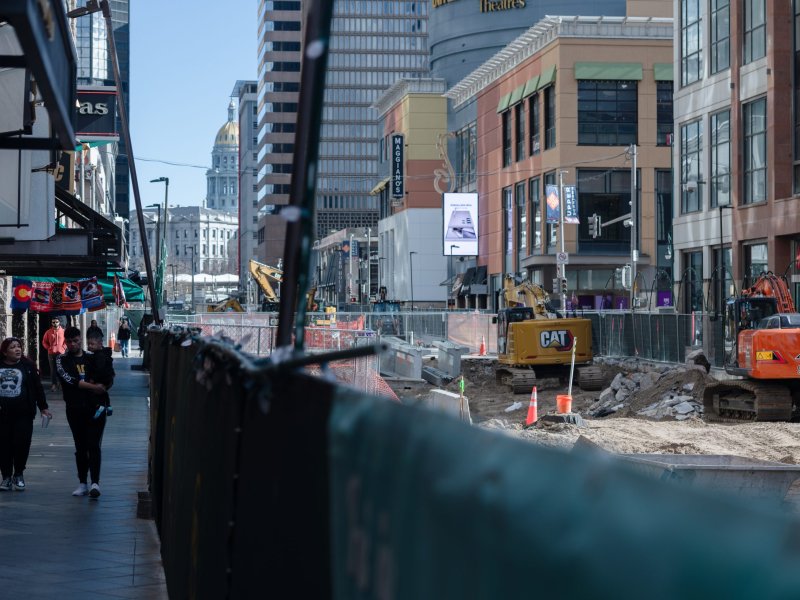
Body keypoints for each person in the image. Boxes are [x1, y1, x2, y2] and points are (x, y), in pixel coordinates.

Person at [56, 327, 109, 498]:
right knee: (80, 447)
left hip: (96, 409)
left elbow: (107, 376)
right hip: (75, 409)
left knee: (94, 445)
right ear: (66, 342)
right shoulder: (62, 360)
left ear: (81, 340)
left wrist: (104, 387)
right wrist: (95, 387)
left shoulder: (92, 358)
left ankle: (95, 483)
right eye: (69, 341)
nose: (73, 344)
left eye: (76, 340)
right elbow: (71, 380)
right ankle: (82, 482)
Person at [0, 337, 52, 491]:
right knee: (3, 446)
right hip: (2, 415)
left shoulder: (27, 366)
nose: (17, 349)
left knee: (21, 444)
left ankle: (19, 474)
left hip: (23, 414)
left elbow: (38, 388)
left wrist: (43, 407)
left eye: (19, 346)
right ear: (4, 352)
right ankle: (6, 477)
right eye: (13, 347)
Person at [85, 330, 114, 416]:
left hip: (101, 378)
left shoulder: (99, 356)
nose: (90, 346)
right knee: (103, 392)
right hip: (107, 378)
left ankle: (99, 406)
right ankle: (108, 406)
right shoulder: (102, 353)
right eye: (88, 344)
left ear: (100, 344)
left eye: (92, 344)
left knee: (93, 392)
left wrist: (93, 379)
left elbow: (99, 369)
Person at [42, 317, 66, 392]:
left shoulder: (63, 331)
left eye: (56, 322)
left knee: (62, 369)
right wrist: (48, 347)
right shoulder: (48, 332)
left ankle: (62, 384)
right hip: (51, 353)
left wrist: (63, 348)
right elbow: (44, 341)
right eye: (53, 322)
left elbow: (66, 341)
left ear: (59, 322)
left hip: (61, 353)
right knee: (53, 370)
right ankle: (54, 385)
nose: (55, 324)